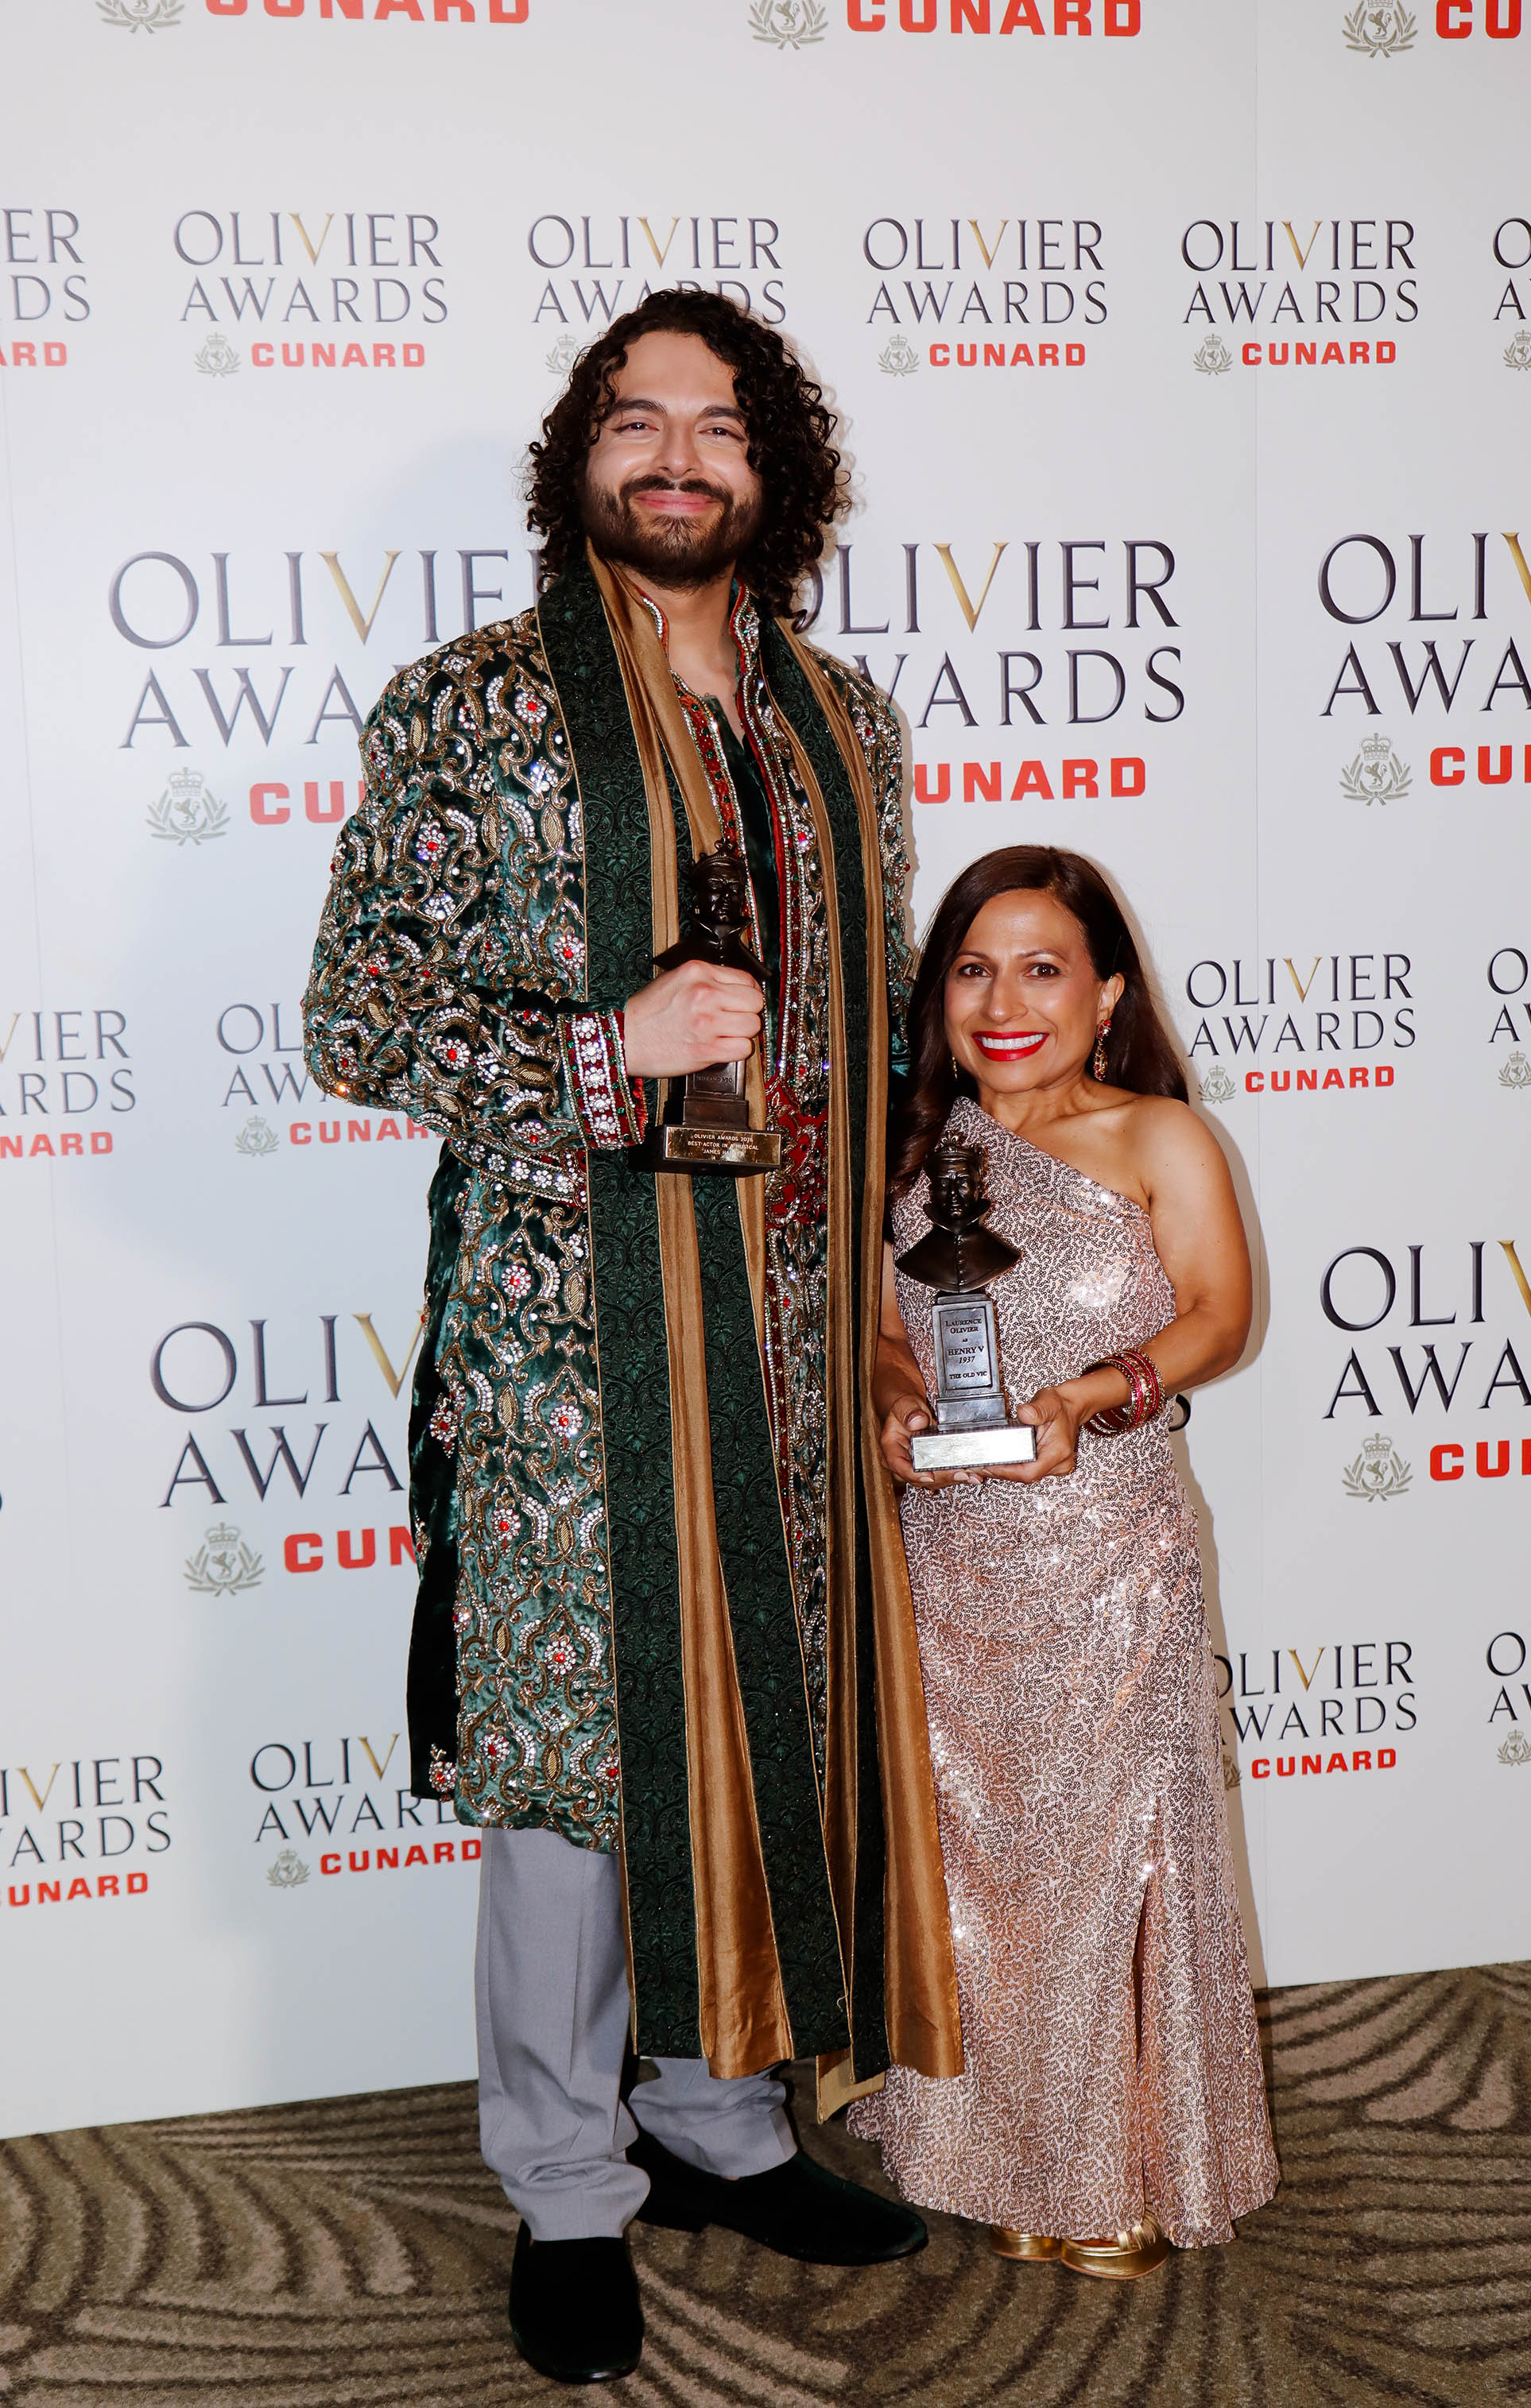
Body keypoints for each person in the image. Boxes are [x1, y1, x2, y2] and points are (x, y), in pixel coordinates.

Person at [302, 290, 963, 2387]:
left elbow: (867, 1038)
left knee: (767, 1723)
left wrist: (883, 1287)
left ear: (776, 472)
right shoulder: (474, 705)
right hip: (563, 1345)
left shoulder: (842, 722)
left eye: (718, 426)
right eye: (635, 420)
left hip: (788, 1328)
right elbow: (356, 1015)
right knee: (580, 1767)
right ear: (578, 457)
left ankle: (722, 2116)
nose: (676, 457)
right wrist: (606, 1051)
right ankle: (567, 2181)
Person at [848, 846, 1277, 2274]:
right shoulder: (910, 1153)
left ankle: (1121, 2161)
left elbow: (1219, 1313)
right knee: (975, 1865)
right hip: (951, 1562)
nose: (1004, 1002)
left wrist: (1095, 1396)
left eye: (1043, 968)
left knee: (1113, 1861)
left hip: (1110, 1559)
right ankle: (982, 2148)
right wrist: (897, 1405)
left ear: (1106, 995)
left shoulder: (1160, 1136)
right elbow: (879, 1330)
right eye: (974, 969)